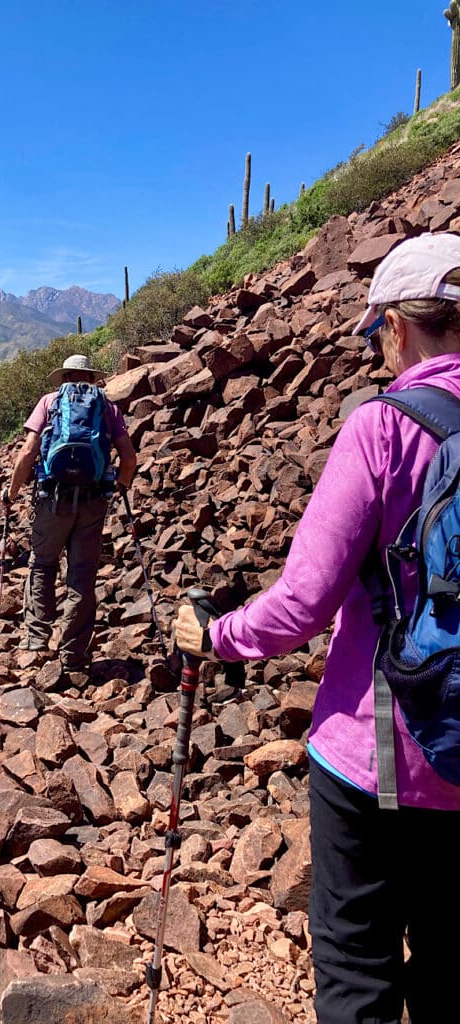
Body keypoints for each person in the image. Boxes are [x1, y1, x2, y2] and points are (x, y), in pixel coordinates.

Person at [173, 232, 460, 1024]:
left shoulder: (385, 426)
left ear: (400, 325)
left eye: (377, 334)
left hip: (385, 753)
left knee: (356, 963)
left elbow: (303, 603)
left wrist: (216, 635)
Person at [4, 354, 137, 675]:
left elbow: (28, 452)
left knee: (42, 563)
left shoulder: (49, 402)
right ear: (90, 377)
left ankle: (37, 638)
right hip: (92, 501)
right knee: (81, 576)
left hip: (53, 498)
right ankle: (72, 653)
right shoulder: (107, 407)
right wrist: (117, 488)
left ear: (65, 377)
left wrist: (12, 492)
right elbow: (129, 457)